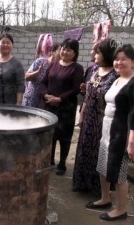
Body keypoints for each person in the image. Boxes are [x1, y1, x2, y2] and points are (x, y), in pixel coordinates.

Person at [86, 44, 134, 221]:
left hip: (120, 134)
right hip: (107, 131)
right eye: (116, 59)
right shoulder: (117, 79)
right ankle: (105, 198)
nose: (119, 62)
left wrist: (132, 142)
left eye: (124, 59)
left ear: (133, 61)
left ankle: (121, 209)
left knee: (118, 172)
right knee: (103, 167)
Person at [72, 39, 119, 195]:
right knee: (84, 150)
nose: (93, 55)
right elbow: (87, 95)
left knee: (99, 154)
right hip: (88, 119)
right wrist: (82, 113)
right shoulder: (93, 70)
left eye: (97, 52)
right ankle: (82, 184)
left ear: (105, 54)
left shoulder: (115, 75)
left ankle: (98, 190)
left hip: (103, 122)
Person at [40, 38, 84, 176]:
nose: (65, 52)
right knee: (50, 134)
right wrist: (46, 95)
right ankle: (51, 161)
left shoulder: (77, 68)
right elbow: (42, 82)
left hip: (66, 107)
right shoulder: (53, 65)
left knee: (64, 136)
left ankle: (62, 163)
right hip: (49, 106)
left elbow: (76, 88)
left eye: (69, 50)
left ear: (75, 53)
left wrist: (60, 98)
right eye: (63, 48)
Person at [0, 33, 25, 104]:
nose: (5, 45)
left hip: (10, 104)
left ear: (12, 45)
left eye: (8, 43)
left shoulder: (17, 64)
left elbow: (20, 85)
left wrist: (18, 104)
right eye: (3, 42)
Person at [22, 41, 61, 108]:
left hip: (44, 101)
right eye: (60, 50)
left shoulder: (59, 67)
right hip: (31, 97)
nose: (62, 52)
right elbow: (26, 77)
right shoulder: (40, 61)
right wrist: (37, 72)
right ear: (52, 52)